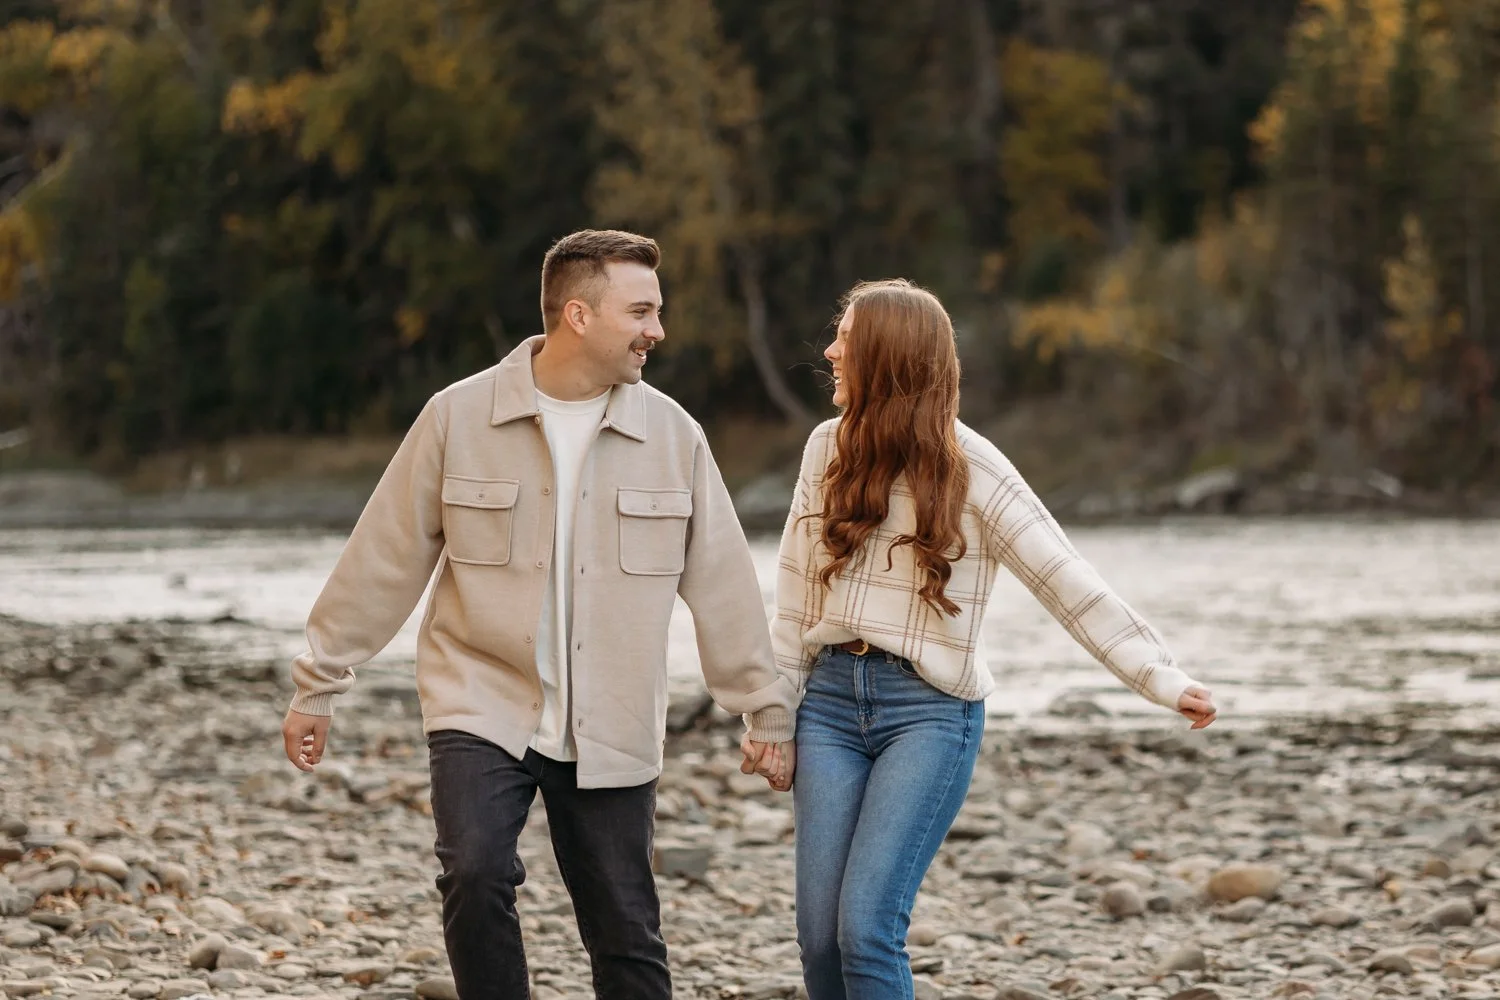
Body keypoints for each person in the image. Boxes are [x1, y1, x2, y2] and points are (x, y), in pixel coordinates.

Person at [281, 229, 798, 1000]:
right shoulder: (457, 417)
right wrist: (318, 683)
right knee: (475, 872)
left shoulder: (673, 435)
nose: (657, 330)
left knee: (624, 925)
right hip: (482, 698)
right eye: (643, 311)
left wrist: (764, 710)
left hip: (613, 714)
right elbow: (385, 558)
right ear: (579, 315)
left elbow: (722, 583)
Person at [750, 279, 1217, 1000]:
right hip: (831, 709)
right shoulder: (825, 450)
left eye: (847, 336)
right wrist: (773, 718)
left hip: (929, 713)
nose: (831, 349)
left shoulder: (974, 467)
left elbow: (1068, 581)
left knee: (866, 930)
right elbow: (792, 599)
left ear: (889, 357)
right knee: (818, 940)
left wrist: (1160, 677)